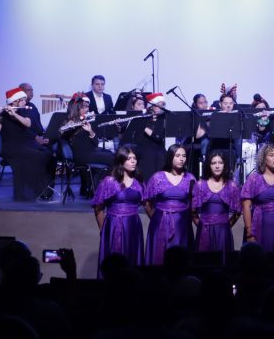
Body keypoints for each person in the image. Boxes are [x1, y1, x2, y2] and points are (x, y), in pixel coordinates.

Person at [0, 87, 54, 201]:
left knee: (49, 154)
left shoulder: (23, 111)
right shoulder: (3, 115)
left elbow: (28, 123)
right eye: (23, 100)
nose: (25, 102)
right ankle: (34, 189)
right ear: (15, 101)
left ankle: (46, 188)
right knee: (38, 156)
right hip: (10, 146)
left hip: (25, 143)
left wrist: (15, 114)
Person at [91, 145, 145, 277]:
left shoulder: (139, 182)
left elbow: (147, 202)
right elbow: (98, 208)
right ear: (121, 161)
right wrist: (104, 230)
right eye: (129, 158)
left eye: (134, 158)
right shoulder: (109, 181)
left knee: (132, 261)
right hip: (114, 225)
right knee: (114, 263)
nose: (133, 161)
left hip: (133, 226)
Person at [143, 144, 195, 265]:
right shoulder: (157, 177)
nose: (181, 159)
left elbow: (193, 202)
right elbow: (147, 202)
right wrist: (157, 218)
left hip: (182, 225)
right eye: (178, 155)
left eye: (184, 156)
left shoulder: (190, 178)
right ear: (170, 157)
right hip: (160, 223)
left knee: (180, 259)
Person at [60, 92, 114, 197]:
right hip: (80, 155)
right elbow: (62, 138)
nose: (87, 109)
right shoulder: (68, 122)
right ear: (76, 108)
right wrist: (68, 127)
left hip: (91, 151)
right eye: (83, 107)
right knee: (112, 159)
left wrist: (90, 131)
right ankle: (101, 190)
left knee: (112, 154)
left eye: (87, 107)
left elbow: (95, 143)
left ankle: (98, 187)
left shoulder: (88, 120)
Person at [192, 151, 241, 252]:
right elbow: (193, 211)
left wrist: (226, 225)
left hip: (223, 231)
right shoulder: (200, 185)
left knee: (223, 259)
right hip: (204, 231)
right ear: (208, 165)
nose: (217, 166)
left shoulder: (232, 186)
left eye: (220, 163)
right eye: (213, 163)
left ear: (224, 165)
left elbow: (238, 212)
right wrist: (202, 225)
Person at [134, 91, 167, 179]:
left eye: (162, 105)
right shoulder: (143, 116)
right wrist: (119, 127)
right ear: (152, 106)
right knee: (147, 154)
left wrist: (143, 127)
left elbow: (158, 137)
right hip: (143, 146)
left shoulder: (163, 118)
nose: (160, 107)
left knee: (160, 154)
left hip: (158, 147)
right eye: (158, 105)